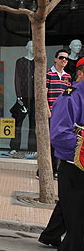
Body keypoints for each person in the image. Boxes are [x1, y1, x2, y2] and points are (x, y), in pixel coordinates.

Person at [45, 56, 84, 251]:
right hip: (74, 170)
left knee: (79, 227)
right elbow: (59, 134)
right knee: (81, 229)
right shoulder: (72, 96)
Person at [38, 56, 82, 248]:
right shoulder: (71, 95)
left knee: (70, 211)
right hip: (73, 165)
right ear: (80, 73)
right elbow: (59, 135)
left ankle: (51, 237)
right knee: (76, 225)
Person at [46, 49, 72, 177]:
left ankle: (56, 169)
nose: (64, 60)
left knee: (59, 141)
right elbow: (44, 94)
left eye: (66, 59)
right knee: (49, 142)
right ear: (55, 59)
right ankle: (46, 170)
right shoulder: (48, 74)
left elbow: (68, 96)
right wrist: (47, 110)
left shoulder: (68, 77)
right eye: (61, 57)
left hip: (63, 115)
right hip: (51, 113)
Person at [10, 41, 36, 152]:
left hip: (35, 98)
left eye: (34, 46)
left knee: (33, 125)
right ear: (26, 47)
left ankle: (32, 148)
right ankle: (14, 147)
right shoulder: (20, 61)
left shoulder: (38, 62)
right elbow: (17, 79)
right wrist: (19, 96)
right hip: (23, 98)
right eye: (30, 46)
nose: (32, 48)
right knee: (18, 124)